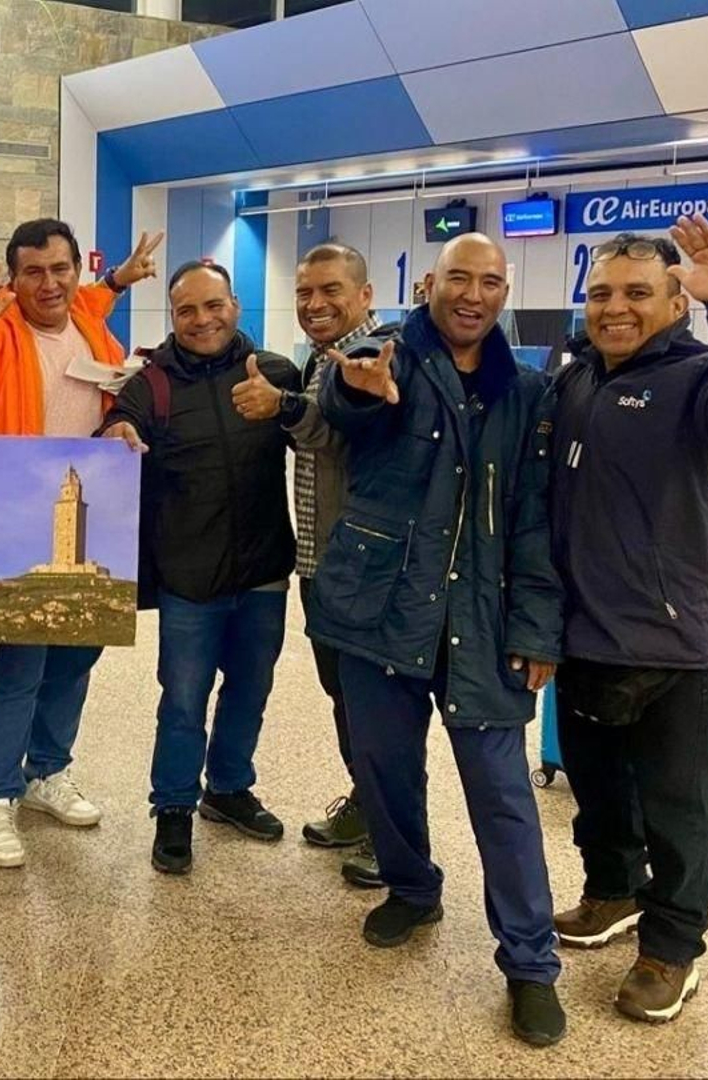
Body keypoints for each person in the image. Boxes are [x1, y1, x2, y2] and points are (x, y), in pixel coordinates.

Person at [548, 216, 708, 1023]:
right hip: (580, 636)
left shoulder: (704, 385)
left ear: (675, 304)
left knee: (675, 810)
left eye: (637, 293)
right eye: (601, 293)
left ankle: (672, 947)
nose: (615, 308)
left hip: (670, 644)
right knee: (597, 793)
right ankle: (613, 892)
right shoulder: (575, 379)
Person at [308, 233, 567, 1046]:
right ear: (430, 283)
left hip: (481, 620)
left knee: (502, 793)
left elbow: (534, 518)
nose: (473, 294)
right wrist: (360, 391)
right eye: (460, 277)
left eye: (490, 281)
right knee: (384, 771)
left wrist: (538, 627)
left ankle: (530, 964)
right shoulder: (386, 356)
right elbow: (345, 403)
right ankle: (413, 889)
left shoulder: (526, 391)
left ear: (503, 293)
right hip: (380, 607)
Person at [0, 219, 162, 868]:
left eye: (60, 269)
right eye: (33, 272)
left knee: (76, 658)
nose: (49, 284)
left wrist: (116, 282)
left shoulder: (87, 318)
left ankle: (48, 768)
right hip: (19, 513)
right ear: (15, 279)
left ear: (76, 270)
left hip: (95, 510)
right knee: (21, 664)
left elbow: (93, 307)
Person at [99, 260, 300, 874]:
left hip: (264, 570)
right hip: (189, 577)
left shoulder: (273, 373)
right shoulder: (153, 383)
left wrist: (290, 406)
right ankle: (173, 805)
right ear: (173, 316)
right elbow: (118, 422)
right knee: (184, 699)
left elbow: (322, 436)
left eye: (214, 306)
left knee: (251, 688)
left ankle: (229, 787)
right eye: (187, 310)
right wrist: (119, 430)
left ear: (235, 307)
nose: (202, 319)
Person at [276, 243, 399, 888]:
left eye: (331, 290)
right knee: (345, 697)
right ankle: (366, 802)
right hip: (319, 561)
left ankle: (394, 833)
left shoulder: (377, 356)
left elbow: (340, 433)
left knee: (376, 707)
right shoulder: (319, 358)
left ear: (365, 294)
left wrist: (284, 408)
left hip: (364, 568)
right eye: (304, 293)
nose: (315, 304)